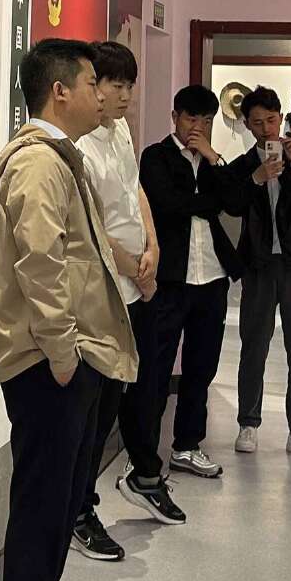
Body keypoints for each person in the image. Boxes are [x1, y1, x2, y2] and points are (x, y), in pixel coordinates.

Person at [0, 37, 134, 581]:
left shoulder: (60, 157)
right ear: (60, 91)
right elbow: (40, 265)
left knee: (60, 500)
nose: (102, 94)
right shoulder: (38, 165)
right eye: (92, 82)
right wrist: (64, 351)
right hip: (49, 362)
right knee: (43, 506)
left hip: (69, 356)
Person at [125, 85, 243, 498]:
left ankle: (187, 446)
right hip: (170, 278)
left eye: (206, 121)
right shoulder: (155, 157)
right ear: (175, 117)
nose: (198, 127)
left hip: (211, 276)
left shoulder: (211, 162)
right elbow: (166, 204)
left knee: (201, 365)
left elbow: (235, 202)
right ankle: (142, 454)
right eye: (192, 118)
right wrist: (206, 202)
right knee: (155, 367)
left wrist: (213, 159)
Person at [70, 39, 165, 538]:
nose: (125, 95)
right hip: (105, 290)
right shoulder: (79, 147)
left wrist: (153, 247)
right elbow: (88, 227)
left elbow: (134, 191)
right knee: (95, 411)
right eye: (113, 84)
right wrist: (135, 269)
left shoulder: (121, 130)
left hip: (134, 285)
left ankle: (138, 477)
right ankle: (79, 510)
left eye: (130, 85)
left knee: (133, 395)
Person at [229, 88, 291, 459]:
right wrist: (256, 178)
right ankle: (248, 423)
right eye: (257, 123)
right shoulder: (242, 166)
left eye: (271, 120)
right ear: (247, 125)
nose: (266, 129)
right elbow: (230, 203)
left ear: (280, 119)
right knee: (254, 344)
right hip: (259, 264)